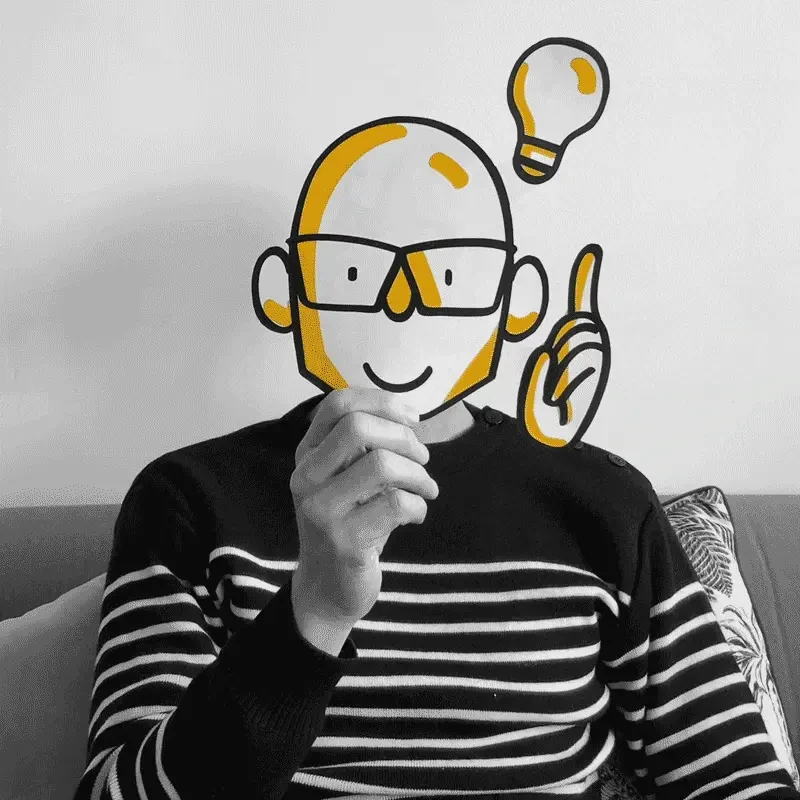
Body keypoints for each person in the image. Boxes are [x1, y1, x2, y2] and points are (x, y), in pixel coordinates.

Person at [74, 119, 800, 800]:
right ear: (284, 291)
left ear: (518, 299)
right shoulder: (187, 500)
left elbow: (737, 778)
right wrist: (313, 612)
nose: (399, 306)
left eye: (449, 277)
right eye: (352, 274)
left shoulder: (602, 501)